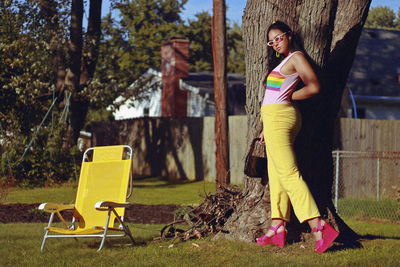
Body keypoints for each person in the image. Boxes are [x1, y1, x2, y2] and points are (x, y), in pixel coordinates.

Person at [256, 21, 339, 253]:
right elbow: (274, 95)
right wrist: (264, 128)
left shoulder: (296, 57)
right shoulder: (283, 61)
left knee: (289, 173)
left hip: (280, 118)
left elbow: (313, 86)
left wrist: (290, 98)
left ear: (289, 35)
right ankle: (277, 228)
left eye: (278, 38)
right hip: (273, 121)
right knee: (277, 172)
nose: (275, 43)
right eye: (271, 41)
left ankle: (319, 226)